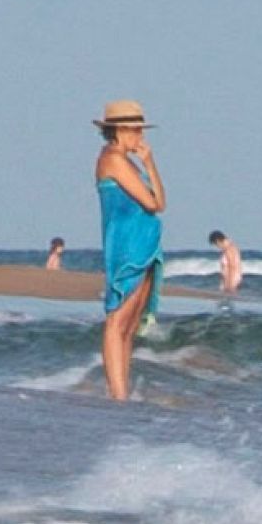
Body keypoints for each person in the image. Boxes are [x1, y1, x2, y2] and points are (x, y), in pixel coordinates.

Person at [95, 99, 166, 401]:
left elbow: (160, 203)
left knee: (131, 323)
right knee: (118, 320)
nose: (140, 136)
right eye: (134, 130)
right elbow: (151, 202)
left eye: (140, 129)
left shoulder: (129, 161)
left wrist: (149, 163)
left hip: (144, 243)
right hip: (127, 246)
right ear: (117, 131)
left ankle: (121, 391)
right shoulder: (113, 158)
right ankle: (118, 394)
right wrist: (146, 167)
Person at [209, 230, 243, 295]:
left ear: (218, 241)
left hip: (231, 280)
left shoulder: (229, 249)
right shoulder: (230, 247)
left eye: (216, 244)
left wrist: (229, 284)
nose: (217, 247)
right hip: (231, 279)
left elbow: (232, 267)